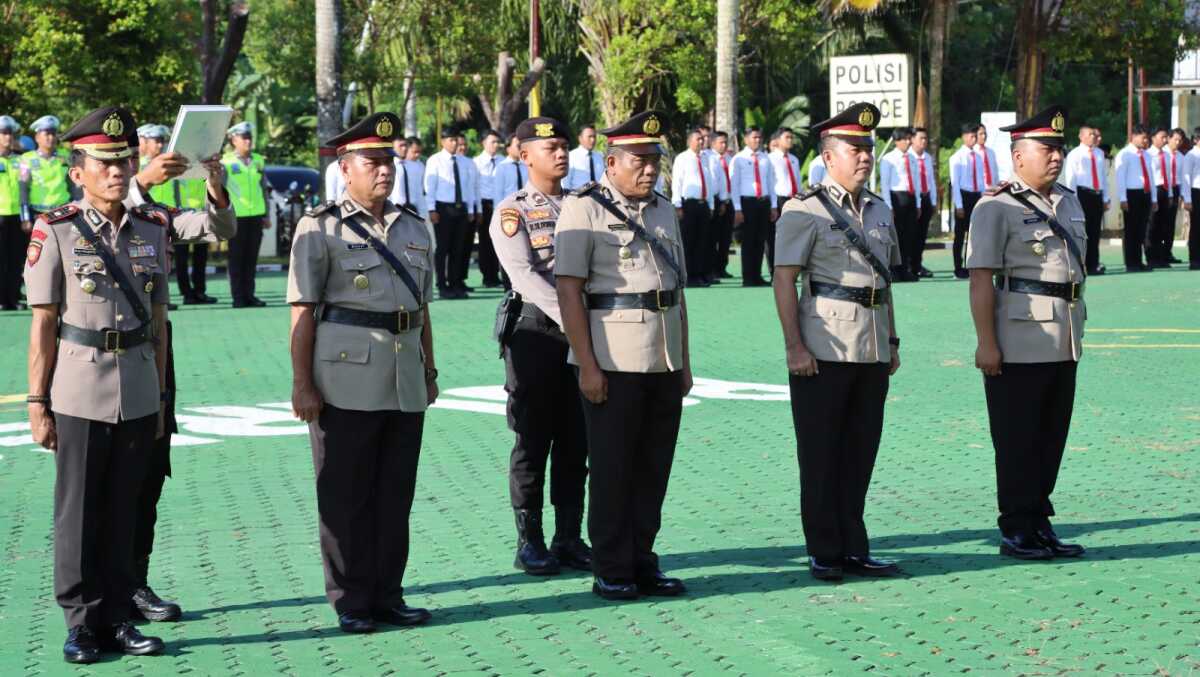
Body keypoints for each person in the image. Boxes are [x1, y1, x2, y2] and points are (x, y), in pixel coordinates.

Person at [24, 106, 168, 663]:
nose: (116, 171)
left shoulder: (150, 228)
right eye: (103, 163)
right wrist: (37, 402)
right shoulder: (57, 228)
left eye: (123, 161)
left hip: (137, 385)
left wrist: (160, 397)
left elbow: (158, 324)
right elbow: (43, 323)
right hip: (79, 386)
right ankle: (81, 623)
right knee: (79, 510)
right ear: (77, 172)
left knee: (125, 507)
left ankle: (117, 619)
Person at [288, 112, 437, 633]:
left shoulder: (413, 226)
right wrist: (302, 383)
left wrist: (429, 367)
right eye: (372, 162)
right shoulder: (319, 226)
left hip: (404, 376)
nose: (384, 170)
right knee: (345, 495)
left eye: (388, 161)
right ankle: (351, 600)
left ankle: (388, 595)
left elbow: (422, 307)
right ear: (344, 168)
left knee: (395, 495)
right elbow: (303, 311)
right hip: (344, 378)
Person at [554, 110, 692, 601]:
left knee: (654, 467)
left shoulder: (663, 209)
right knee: (613, 468)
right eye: (639, 160)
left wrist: (684, 360)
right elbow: (569, 291)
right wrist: (587, 364)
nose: (650, 168)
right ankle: (612, 567)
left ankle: (642, 559)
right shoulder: (584, 209)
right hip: (613, 359)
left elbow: (676, 290)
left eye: (655, 159)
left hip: (663, 356)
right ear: (611, 163)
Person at [772, 102, 902, 582]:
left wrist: (892, 338)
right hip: (823, 347)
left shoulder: (880, 209)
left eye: (868, 148)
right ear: (829, 157)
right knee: (821, 454)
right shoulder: (803, 210)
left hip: (872, 345)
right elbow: (784, 281)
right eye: (855, 149)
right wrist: (794, 346)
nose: (865, 156)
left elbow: (884, 282)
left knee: (860, 452)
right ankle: (824, 549)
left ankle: (854, 546)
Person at [965, 104, 1088, 561]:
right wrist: (986, 342)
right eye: (1045, 149)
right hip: (1017, 337)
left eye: (1059, 149)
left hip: (1064, 333)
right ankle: (1016, 527)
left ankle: (1039, 520)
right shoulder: (995, 206)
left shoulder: (1069, 200)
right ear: (1018, 156)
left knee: (1051, 436)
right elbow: (981, 279)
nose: (1056, 156)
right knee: (1017, 438)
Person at [125, 130, 238, 625]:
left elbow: (218, 227)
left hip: (154, 352)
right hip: (100, 358)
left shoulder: (156, 217)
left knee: (150, 472)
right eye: (124, 161)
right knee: (103, 481)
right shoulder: (77, 218)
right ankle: (98, 592)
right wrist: (142, 185)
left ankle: (134, 581)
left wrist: (215, 183)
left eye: (130, 161)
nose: (124, 169)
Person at [489, 117, 592, 577]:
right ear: (524, 154)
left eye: (564, 146)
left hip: (583, 332)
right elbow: (524, 275)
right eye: (550, 147)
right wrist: (576, 321)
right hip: (537, 332)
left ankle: (569, 537)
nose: (561, 153)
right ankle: (528, 541)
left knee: (577, 437)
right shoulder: (513, 211)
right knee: (532, 438)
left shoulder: (584, 204)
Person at [221, 121, 270, 307]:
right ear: (234, 140)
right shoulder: (226, 162)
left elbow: (263, 188)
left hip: (256, 215)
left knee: (251, 259)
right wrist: (222, 216)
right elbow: (220, 191)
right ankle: (238, 297)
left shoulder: (258, 160)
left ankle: (250, 295)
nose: (248, 141)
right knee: (236, 259)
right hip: (236, 217)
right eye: (244, 138)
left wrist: (266, 214)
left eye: (249, 137)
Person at [424, 127, 476, 299]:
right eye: (451, 140)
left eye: (456, 140)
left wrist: (470, 209)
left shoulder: (464, 161)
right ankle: (442, 285)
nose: (454, 143)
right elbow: (430, 187)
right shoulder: (435, 160)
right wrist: (431, 209)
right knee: (443, 248)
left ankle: (455, 284)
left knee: (458, 248)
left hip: (461, 208)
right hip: (443, 208)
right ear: (443, 141)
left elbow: (468, 187)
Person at [730, 127, 777, 286]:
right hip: (747, 202)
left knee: (760, 239)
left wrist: (773, 205)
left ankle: (757, 276)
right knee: (748, 240)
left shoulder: (765, 158)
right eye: (754, 137)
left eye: (759, 137)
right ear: (746, 139)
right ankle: (748, 277)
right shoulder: (738, 159)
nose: (758, 140)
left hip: (763, 202)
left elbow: (770, 183)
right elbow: (734, 185)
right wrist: (737, 208)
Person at [671, 126, 716, 287]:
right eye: (698, 139)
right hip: (688, 204)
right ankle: (688, 275)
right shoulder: (682, 158)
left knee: (703, 240)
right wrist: (677, 204)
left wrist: (711, 204)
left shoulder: (705, 158)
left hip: (703, 204)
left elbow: (708, 182)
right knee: (688, 241)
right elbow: (677, 182)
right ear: (690, 141)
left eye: (702, 139)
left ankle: (700, 274)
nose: (702, 141)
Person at [1063, 123, 1110, 275]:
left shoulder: (1099, 153)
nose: (1094, 137)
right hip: (1083, 194)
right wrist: (1073, 199)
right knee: (1082, 232)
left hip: (1097, 194)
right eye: (1090, 134)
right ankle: (1081, 264)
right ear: (1081, 136)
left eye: (1094, 134)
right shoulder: (1075, 154)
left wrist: (1106, 197)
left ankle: (1093, 264)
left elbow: (1103, 177)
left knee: (1095, 231)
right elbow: (1071, 179)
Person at [878, 127, 920, 281]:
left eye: (910, 139)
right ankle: (893, 270)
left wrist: (918, 203)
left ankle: (905, 269)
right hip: (896, 197)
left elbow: (916, 181)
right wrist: (888, 206)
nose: (909, 142)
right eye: (905, 139)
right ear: (897, 141)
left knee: (909, 235)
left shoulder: (912, 157)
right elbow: (885, 184)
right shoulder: (888, 159)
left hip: (910, 197)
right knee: (896, 236)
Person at [1114, 125, 1156, 272]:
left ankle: (1138, 261)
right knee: (1131, 230)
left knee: (1141, 229)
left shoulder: (1147, 155)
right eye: (1143, 138)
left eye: (1147, 138)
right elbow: (1120, 177)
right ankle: (1131, 263)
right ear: (1134, 136)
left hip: (1145, 194)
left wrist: (1154, 198)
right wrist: (1123, 198)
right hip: (1131, 195)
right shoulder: (1124, 154)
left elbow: (1151, 177)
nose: (1146, 141)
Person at [949, 123, 981, 278]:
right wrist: (959, 205)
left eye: (975, 135)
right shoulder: (957, 157)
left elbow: (980, 180)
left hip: (976, 195)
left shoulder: (978, 156)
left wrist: (983, 198)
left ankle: (971, 264)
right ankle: (958, 267)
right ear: (964, 137)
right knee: (960, 235)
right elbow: (955, 183)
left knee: (974, 235)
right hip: (963, 195)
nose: (974, 138)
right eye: (971, 135)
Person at [474, 129, 504, 287]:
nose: (496, 145)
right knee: (485, 241)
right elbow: (475, 187)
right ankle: (487, 276)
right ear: (483, 143)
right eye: (493, 142)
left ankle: (498, 274)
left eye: (497, 142)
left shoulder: (503, 161)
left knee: (501, 241)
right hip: (484, 205)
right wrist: (478, 209)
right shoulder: (476, 162)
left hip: (501, 204)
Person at [0, 115, 24, 310]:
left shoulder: (20, 160)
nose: (8, 137)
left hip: (17, 215)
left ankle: (14, 298)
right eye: (4, 133)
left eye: (10, 133)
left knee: (15, 258)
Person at [909, 127, 936, 278]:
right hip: (912, 198)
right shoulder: (908, 157)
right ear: (912, 139)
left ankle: (917, 265)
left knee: (922, 235)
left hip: (926, 198)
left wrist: (933, 200)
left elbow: (931, 180)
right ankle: (907, 265)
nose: (924, 141)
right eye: (921, 138)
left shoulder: (927, 158)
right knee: (910, 234)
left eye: (925, 138)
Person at [708, 130, 735, 280]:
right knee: (713, 237)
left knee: (726, 237)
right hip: (716, 199)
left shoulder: (730, 159)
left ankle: (722, 267)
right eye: (721, 142)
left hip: (729, 200)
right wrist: (720, 201)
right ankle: (712, 269)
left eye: (726, 142)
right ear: (713, 143)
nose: (724, 145)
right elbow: (713, 182)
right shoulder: (709, 158)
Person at [392, 136, 426, 214]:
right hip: (395, 209)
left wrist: (422, 212)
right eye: (401, 146)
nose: (404, 148)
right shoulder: (389, 166)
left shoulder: (415, 166)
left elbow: (419, 190)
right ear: (393, 147)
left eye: (405, 145)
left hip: (413, 209)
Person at [563, 123, 603, 191]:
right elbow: (565, 183)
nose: (593, 140)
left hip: (599, 195)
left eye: (594, 137)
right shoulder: (571, 157)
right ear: (580, 138)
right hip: (577, 196)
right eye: (589, 137)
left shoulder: (599, 156)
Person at [1182, 127, 1200, 269]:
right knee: (1196, 227)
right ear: (1196, 139)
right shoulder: (1191, 155)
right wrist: (1187, 199)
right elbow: (1186, 178)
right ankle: (1194, 259)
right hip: (1196, 192)